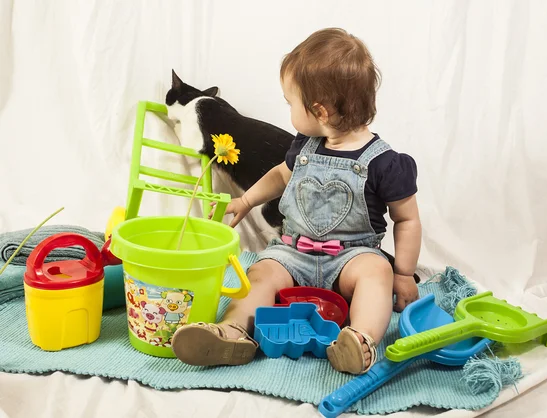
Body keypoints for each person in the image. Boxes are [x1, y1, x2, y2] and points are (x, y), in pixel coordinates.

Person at [171, 28, 422, 375]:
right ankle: (232, 332)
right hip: (294, 253)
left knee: (377, 271)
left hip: (350, 258)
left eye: (290, 103)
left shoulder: (384, 162)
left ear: (318, 110)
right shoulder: (304, 146)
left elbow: (407, 219)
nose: (288, 109)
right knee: (259, 272)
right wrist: (246, 200)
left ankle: (359, 340)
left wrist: (404, 273)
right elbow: (279, 176)